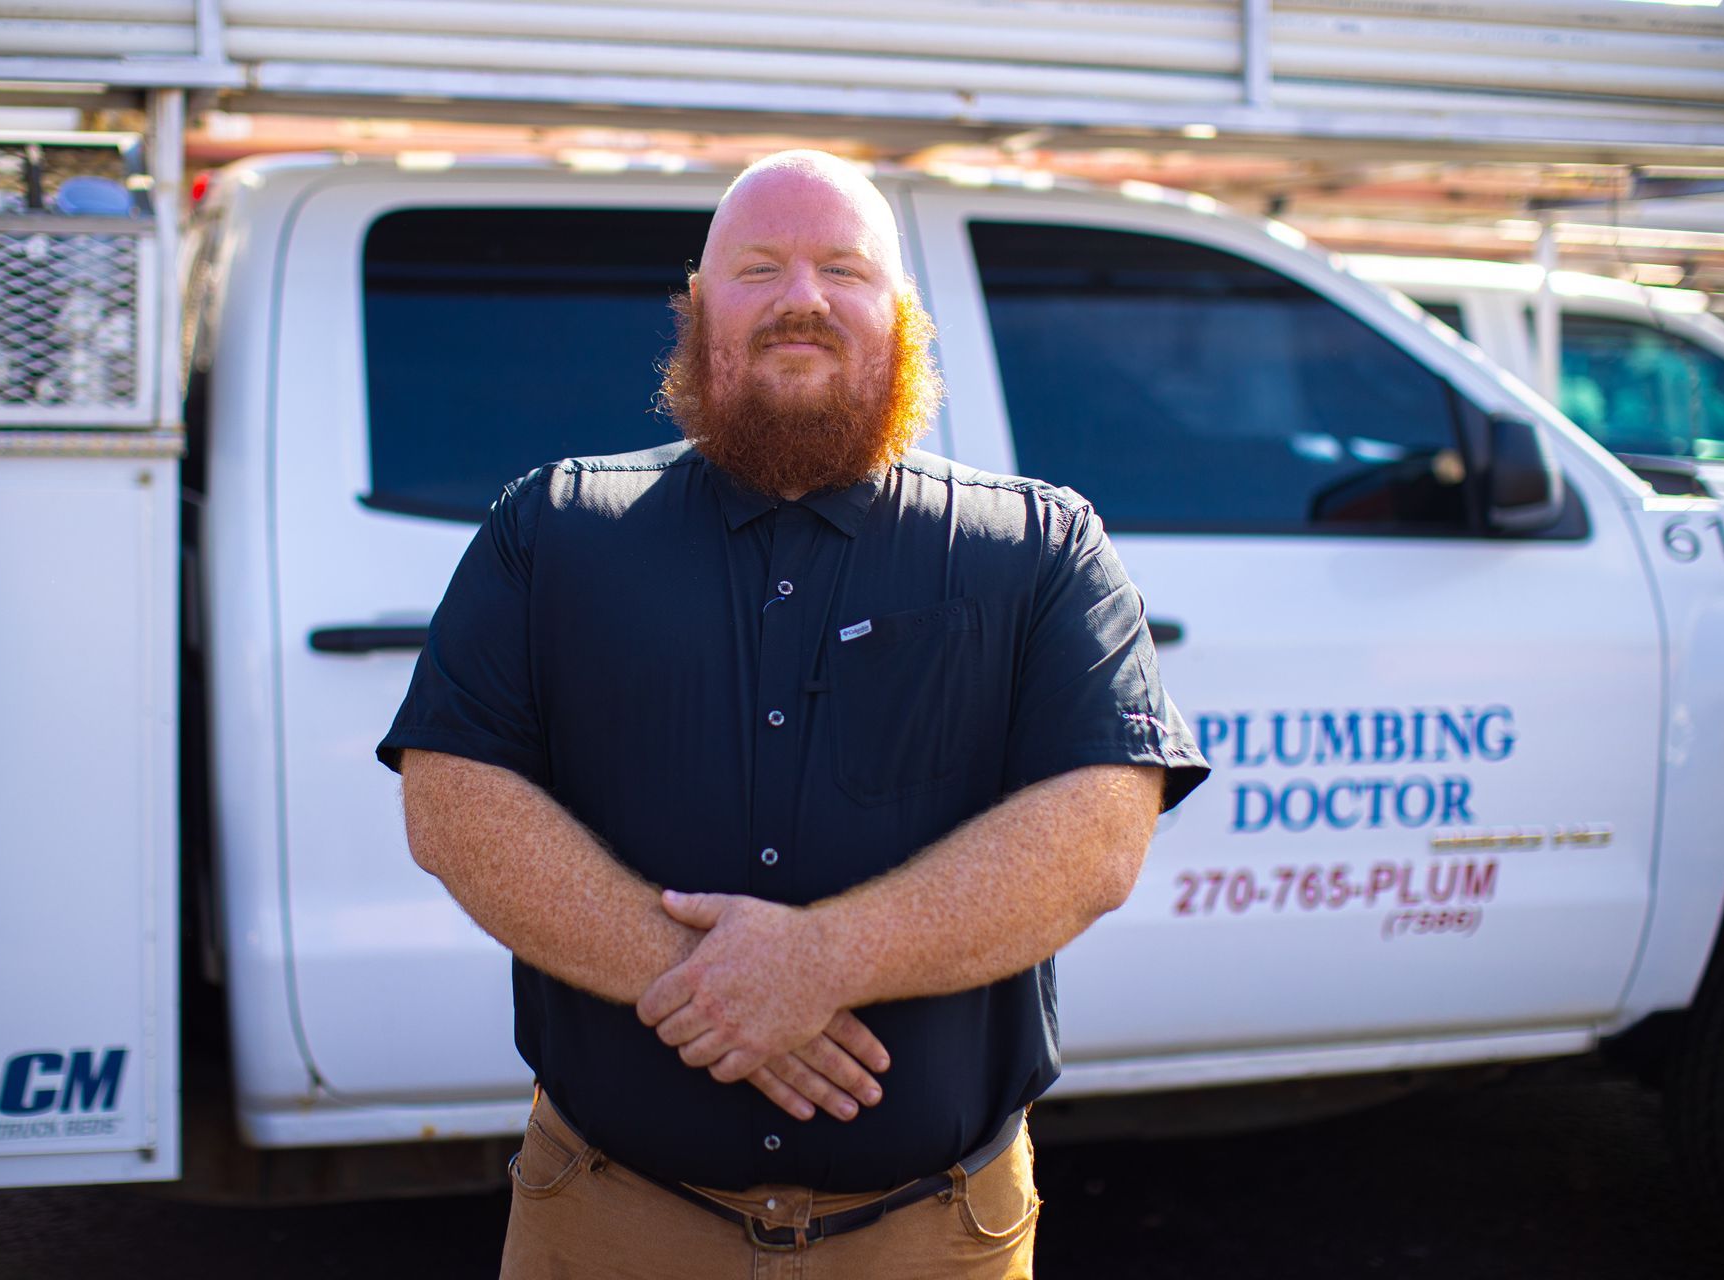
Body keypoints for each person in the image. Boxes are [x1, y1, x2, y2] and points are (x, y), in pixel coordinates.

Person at [377, 149, 1209, 1278]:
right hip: (610, 1224)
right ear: (699, 307)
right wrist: (721, 981)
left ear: (902, 316)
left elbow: (1100, 829)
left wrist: (823, 959)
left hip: (935, 1236)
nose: (801, 299)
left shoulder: (1042, 548)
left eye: (844, 269)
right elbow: (454, 801)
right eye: (758, 268)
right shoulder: (552, 530)